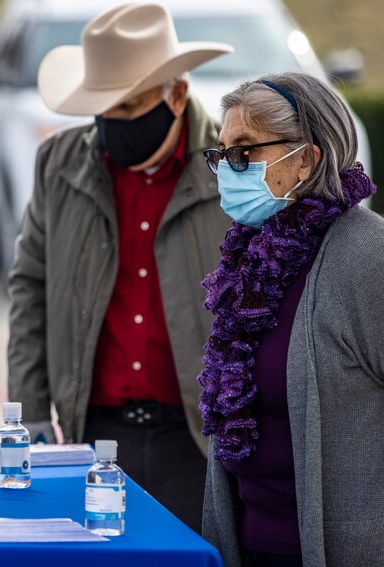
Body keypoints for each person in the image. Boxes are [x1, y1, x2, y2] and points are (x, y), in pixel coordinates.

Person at [7, 3, 233, 531]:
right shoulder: (59, 163)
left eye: (131, 106)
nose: (115, 123)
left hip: (201, 440)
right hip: (93, 437)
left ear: (177, 94)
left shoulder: (234, 168)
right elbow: (30, 286)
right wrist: (32, 409)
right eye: (103, 108)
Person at [200, 72, 381, 567]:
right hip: (248, 541)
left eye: (245, 152)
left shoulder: (370, 256)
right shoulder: (250, 258)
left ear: (306, 157)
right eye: (221, 154)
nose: (227, 169)